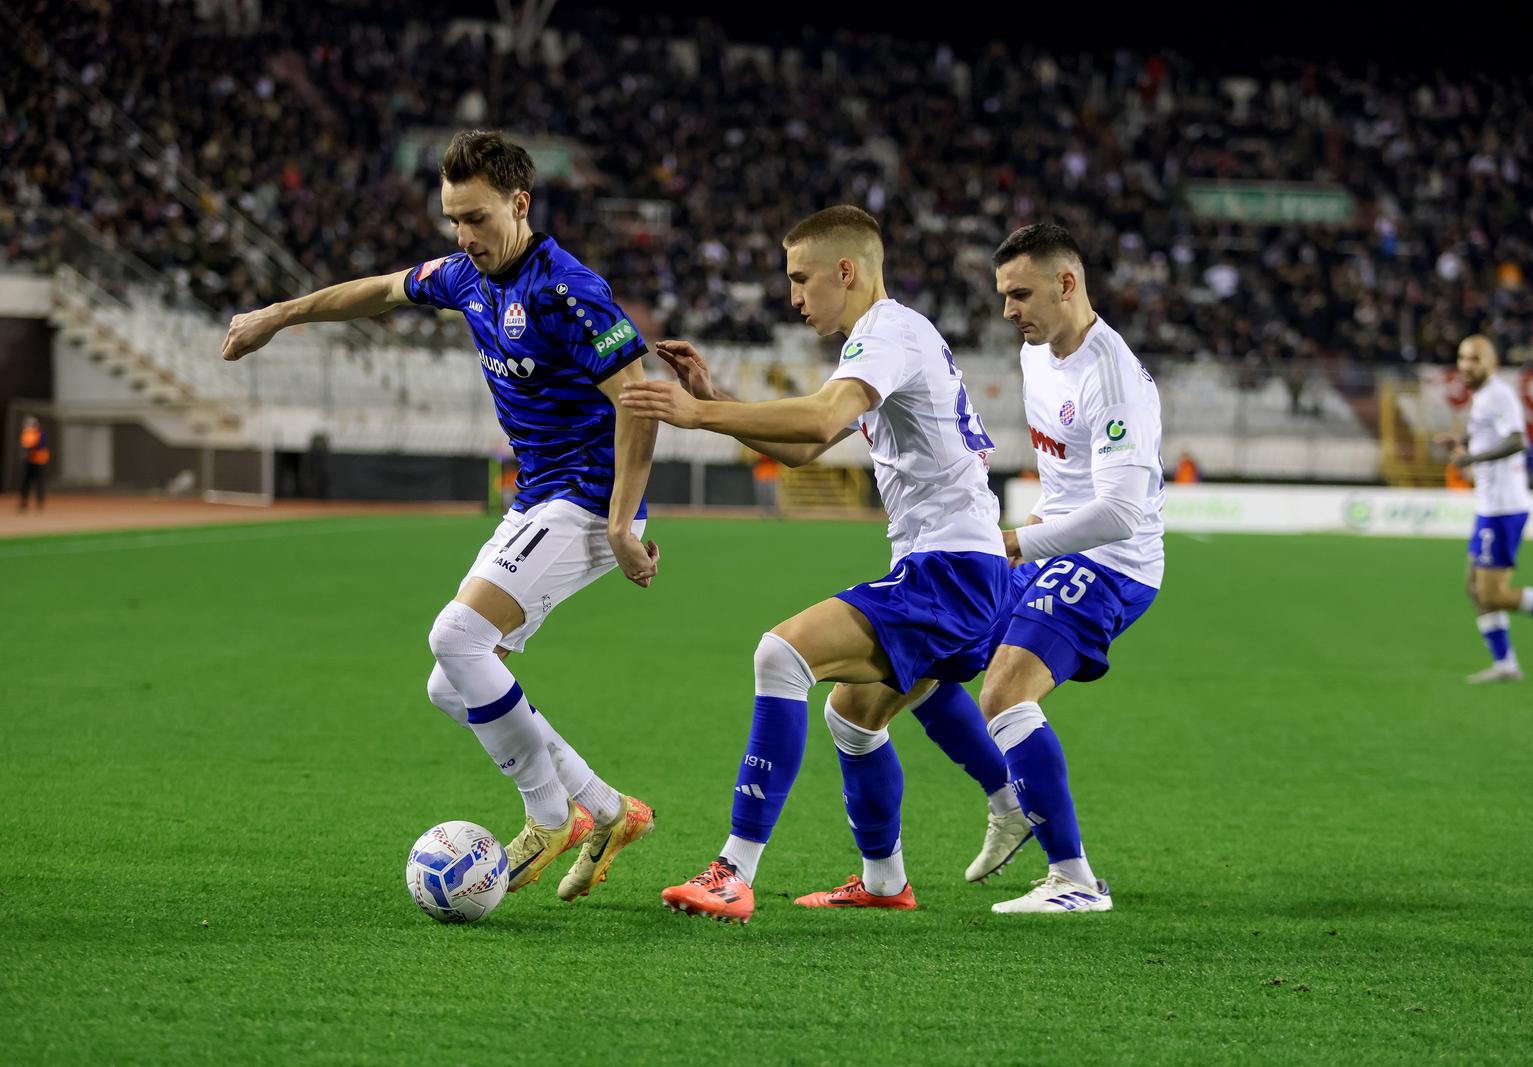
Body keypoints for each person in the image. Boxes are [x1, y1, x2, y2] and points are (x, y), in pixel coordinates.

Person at [220, 129, 660, 902]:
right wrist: (279, 314)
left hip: (591, 498)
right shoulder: (465, 276)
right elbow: (379, 291)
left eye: (478, 218)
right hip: (541, 497)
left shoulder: (567, 289)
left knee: (457, 635)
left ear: (520, 205)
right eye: (454, 219)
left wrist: (623, 524)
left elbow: (641, 400)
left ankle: (548, 814)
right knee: (450, 684)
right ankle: (607, 808)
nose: (464, 236)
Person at [623, 205, 1014, 923]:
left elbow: (817, 420)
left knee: (781, 654)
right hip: (965, 569)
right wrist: (716, 399)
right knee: (854, 718)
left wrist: (695, 414)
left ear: (848, 271)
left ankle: (732, 871)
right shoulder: (890, 339)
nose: (793, 296)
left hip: (949, 571)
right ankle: (888, 877)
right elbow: (807, 447)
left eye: (801, 278)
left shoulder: (887, 331)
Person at [973, 222, 1168, 914]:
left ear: (1067, 283)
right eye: (1003, 295)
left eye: (1020, 293)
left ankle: (1075, 879)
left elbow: (1119, 511)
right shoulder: (1038, 353)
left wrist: (1020, 542)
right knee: (933, 647)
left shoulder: (1111, 380)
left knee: (1004, 692)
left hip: (1113, 560)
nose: (1008, 311)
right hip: (1052, 543)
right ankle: (1012, 801)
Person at [1435, 335, 1533, 683]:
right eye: (1462, 358)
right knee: (1473, 586)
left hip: (1503, 509)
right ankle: (1506, 663)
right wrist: (1463, 446)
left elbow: (1517, 440)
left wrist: (1471, 457)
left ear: (1491, 363)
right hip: (1490, 506)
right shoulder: (1482, 399)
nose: (1465, 365)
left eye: (1474, 359)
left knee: (1491, 592)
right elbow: (1493, 441)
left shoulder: (1498, 394)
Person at [17, 416, 49, 512]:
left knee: (39, 482)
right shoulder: (26, 433)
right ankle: (24, 502)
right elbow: (24, 445)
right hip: (29, 461)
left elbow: (41, 444)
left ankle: (40, 502)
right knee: (26, 482)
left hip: (39, 461)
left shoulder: (40, 432)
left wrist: (31, 447)